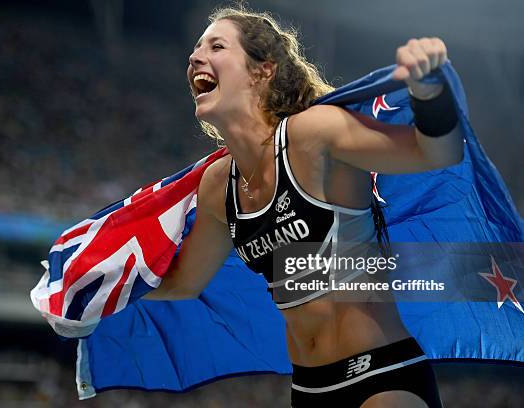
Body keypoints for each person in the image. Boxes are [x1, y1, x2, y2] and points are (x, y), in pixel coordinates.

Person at [144, 6, 463, 408]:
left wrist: (429, 89)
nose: (195, 57)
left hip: (381, 376)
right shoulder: (216, 187)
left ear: (263, 71)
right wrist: (93, 286)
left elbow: (437, 153)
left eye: (216, 45)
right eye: (195, 48)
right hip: (308, 390)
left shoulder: (313, 134)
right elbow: (182, 283)